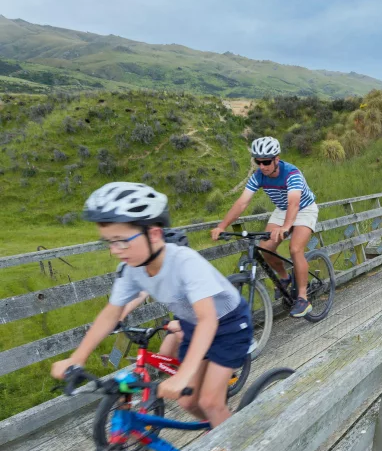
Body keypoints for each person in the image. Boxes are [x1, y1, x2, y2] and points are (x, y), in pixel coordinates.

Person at [50, 182, 252, 427]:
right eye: (109, 242)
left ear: (154, 234)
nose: (115, 250)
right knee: (188, 402)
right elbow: (110, 313)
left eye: (121, 241)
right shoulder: (130, 269)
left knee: (211, 402)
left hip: (228, 324)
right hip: (193, 325)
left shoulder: (185, 262)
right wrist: (77, 358)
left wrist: (184, 375)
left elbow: (208, 319)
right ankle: (219, 429)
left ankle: (233, 444)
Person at [211, 136, 318, 318]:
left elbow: (294, 203)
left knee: (295, 249)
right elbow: (242, 203)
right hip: (282, 210)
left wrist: (285, 227)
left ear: (276, 159)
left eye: (266, 162)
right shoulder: (258, 176)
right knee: (264, 248)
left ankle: (302, 298)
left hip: (304, 208)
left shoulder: (292, 173)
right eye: (258, 162)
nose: (262, 166)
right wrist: (222, 226)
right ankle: (285, 278)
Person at [117, 228, 191, 358]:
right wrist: (119, 316)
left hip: (211, 321)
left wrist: (182, 324)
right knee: (165, 354)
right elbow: (141, 294)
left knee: (188, 351)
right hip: (183, 319)